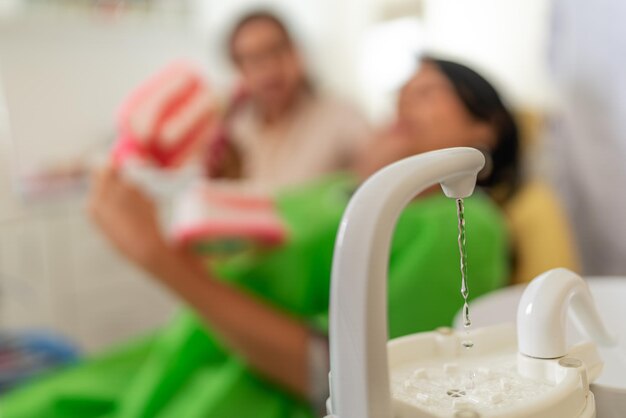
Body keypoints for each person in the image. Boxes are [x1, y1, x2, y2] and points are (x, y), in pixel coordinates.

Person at [0, 57, 517, 418]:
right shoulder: (339, 190)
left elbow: (359, 384)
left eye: (426, 94)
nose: (401, 106)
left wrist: (155, 256)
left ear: (485, 129)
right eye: (398, 95)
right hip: (174, 362)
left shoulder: (460, 219)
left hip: (242, 395)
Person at [207, 10, 372, 191]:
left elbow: (378, 176)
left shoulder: (340, 116)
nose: (269, 67)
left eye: (276, 51)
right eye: (254, 59)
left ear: (296, 52)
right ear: (240, 71)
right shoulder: (234, 131)